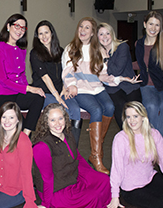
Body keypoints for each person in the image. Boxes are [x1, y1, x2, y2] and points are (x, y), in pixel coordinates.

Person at [108, 101, 163, 208]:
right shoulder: (121, 138)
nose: (132, 121)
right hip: (131, 188)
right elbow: (117, 168)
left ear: (143, 117)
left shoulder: (154, 134)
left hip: (150, 178)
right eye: (128, 117)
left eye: (135, 116)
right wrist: (115, 196)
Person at [32, 103, 111, 208]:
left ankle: (110, 201)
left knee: (104, 179)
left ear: (65, 118)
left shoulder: (68, 133)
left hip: (72, 174)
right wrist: (46, 203)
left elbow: (77, 157)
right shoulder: (41, 147)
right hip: (56, 188)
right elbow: (47, 178)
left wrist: (91, 175)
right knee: (94, 197)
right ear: (46, 122)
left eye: (60, 118)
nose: (58, 123)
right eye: (53, 120)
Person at [62, 17, 117, 175]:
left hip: (96, 88)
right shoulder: (71, 48)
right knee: (96, 110)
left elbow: (103, 73)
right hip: (80, 89)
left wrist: (115, 79)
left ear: (93, 32)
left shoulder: (98, 49)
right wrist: (71, 85)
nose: (83, 30)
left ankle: (95, 150)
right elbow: (66, 71)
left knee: (110, 107)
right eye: (81, 27)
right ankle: (97, 156)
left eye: (87, 28)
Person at [0, 13, 45, 137]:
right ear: (8, 26)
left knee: (39, 96)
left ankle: (26, 133)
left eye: (23, 28)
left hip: (16, 93)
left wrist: (29, 89)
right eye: (17, 26)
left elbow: (22, 75)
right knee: (16, 126)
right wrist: (28, 88)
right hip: (0, 95)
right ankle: (24, 138)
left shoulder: (21, 49)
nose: (20, 30)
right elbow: (3, 80)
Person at [30, 20, 82, 145]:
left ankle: (72, 147)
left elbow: (66, 72)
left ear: (52, 33)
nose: (44, 36)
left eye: (46, 32)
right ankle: (60, 147)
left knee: (75, 110)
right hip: (45, 92)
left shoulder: (61, 51)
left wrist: (65, 88)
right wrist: (58, 97)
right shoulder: (35, 53)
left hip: (60, 90)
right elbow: (45, 78)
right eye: (40, 34)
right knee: (62, 111)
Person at [98, 22, 142, 130]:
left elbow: (116, 71)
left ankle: (140, 139)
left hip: (128, 84)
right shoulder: (96, 52)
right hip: (111, 87)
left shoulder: (122, 47)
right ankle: (126, 137)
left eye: (107, 33)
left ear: (112, 34)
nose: (104, 37)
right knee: (120, 106)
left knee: (135, 110)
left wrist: (106, 58)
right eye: (101, 34)